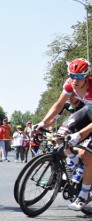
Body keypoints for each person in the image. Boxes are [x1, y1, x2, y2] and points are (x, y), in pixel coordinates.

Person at [37, 58, 92, 210]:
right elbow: (59, 105)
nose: (75, 80)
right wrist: (43, 122)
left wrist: (79, 134)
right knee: (59, 135)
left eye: (79, 77)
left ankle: (84, 195)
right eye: (72, 75)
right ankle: (73, 160)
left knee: (87, 155)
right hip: (88, 111)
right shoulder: (70, 83)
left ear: (86, 76)